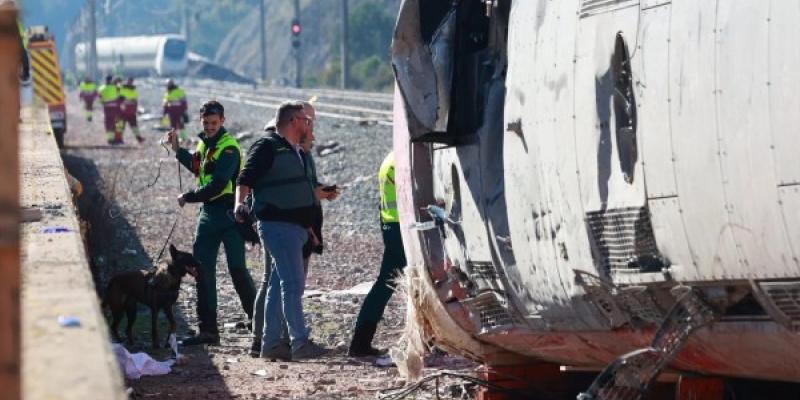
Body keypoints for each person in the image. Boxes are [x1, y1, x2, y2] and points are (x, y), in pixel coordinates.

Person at [234, 101, 336, 361]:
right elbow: (245, 178)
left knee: (279, 284)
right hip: (278, 227)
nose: (309, 124)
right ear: (293, 121)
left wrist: (311, 228)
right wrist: (239, 205)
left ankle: (270, 345)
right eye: (306, 120)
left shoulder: (296, 152)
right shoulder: (268, 145)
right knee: (292, 285)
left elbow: (297, 192)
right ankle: (300, 344)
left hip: (295, 228)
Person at [164, 100, 257, 346]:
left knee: (238, 270)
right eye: (206, 123)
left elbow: (217, 184)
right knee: (202, 271)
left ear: (223, 121)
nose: (209, 127)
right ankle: (208, 330)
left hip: (229, 215)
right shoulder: (205, 142)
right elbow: (197, 165)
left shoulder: (229, 149)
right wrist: (176, 149)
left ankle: (258, 322)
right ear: (201, 122)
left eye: (214, 123)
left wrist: (188, 197)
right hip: (208, 215)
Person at [348, 151, 407, 357]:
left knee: (385, 284)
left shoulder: (389, 159)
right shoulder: (403, 158)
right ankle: (429, 340)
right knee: (423, 282)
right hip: (405, 229)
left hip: (391, 226)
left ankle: (360, 342)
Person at [98, 74, 123, 144]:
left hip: (106, 108)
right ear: (112, 80)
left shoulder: (101, 88)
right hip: (115, 108)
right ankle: (118, 138)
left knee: (108, 123)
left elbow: (99, 99)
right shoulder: (116, 87)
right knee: (118, 122)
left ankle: (110, 139)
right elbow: (122, 94)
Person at [118, 77, 144, 143]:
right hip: (123, 110)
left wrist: (136, 109)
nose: (130, 82)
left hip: (132, 110)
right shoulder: (122, 88)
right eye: (129, 81)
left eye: (131, 81)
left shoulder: (134, 89)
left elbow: (135, 100)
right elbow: (120, 99)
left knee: (134, 125)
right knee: (121, 125)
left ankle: (139, 138)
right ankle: (119, 139)